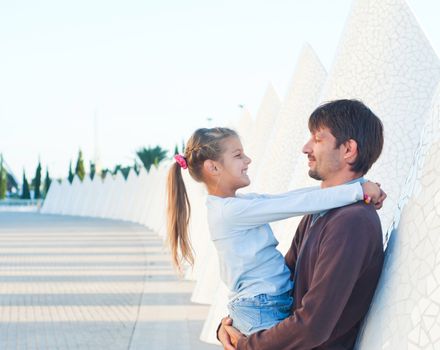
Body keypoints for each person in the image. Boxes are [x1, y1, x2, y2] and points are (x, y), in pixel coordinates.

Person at [166, 123, 384, 336]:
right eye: (238, 155)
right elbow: (294, 204)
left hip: (263, 305)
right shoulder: (231, 212)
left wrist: (358, 189)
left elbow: (292, 198)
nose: (248, 159)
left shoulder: (238, 205)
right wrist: (357, 191)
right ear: (213, 167)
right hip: (261, 308)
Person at [217, 99, 386, 349]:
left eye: (317, 139)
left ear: (348, 149)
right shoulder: (321, 212)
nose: (305, 148)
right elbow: (277, 283)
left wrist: (247, 345)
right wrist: (228, 326)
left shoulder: (352, 223)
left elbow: (312, 326)